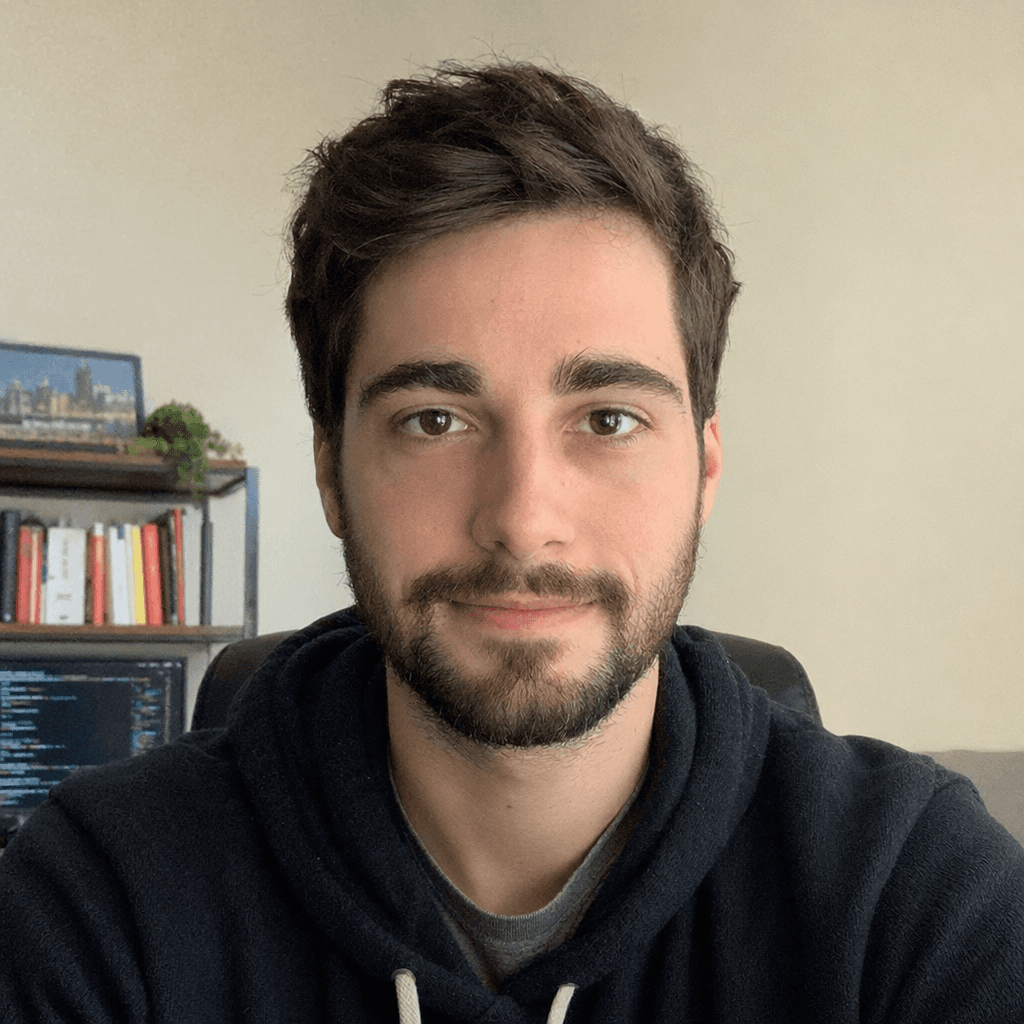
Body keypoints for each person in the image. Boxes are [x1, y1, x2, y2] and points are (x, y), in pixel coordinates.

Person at [1, 61, 1022, 1024]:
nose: (523, 518)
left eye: (608, 419)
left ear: (705, 468)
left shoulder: (912, 896)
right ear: (330, 472)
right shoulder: (100, 901)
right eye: (434, 420)